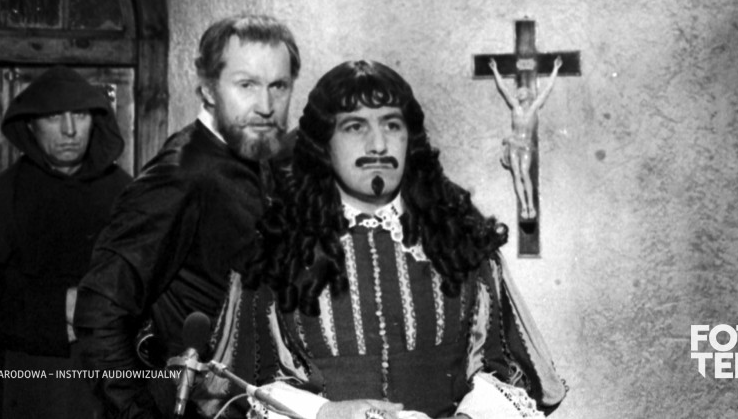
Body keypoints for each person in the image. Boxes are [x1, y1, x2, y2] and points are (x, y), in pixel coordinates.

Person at [199, 60, 567, 419]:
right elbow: (230, 389)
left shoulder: (464, 244)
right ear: (323, 143)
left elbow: (509, 372)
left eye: (392, 125)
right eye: (355, 127)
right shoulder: (273, 254)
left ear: (410, 138)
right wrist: (324, 412)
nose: (378, 145)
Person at [75, 15, 301, 418]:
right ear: (208, 88)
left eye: (278, 86)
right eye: (246, 85)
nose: (266, 106)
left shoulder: (254, 155)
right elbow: (99, 312)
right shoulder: (181, 172)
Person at [0, 66, 132, 419]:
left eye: (80, 115)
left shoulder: (129, 197)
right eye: (54, 117)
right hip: (17, 381)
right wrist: (61, 308)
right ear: (30, 125)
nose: (69, 130)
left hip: (108, 383)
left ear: (96, 121)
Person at [488, 56, 562, 219]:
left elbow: (547, 90)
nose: (518, 94)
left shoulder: (534, 107)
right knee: (516, 174)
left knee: (524, 172)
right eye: (518, 92)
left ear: (528, 94)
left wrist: (555, 69)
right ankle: (523, 205)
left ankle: (530, 205)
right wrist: (495, 70)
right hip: (514, 144)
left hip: (527, 145)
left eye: (522, 92)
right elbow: (503, 89)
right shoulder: (515, 107)